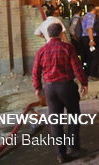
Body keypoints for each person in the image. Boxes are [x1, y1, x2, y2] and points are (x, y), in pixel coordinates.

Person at [32, 23, 88, 164]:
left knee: (55, 122)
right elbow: (77, 66)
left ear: (49, 35)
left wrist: (38, 88)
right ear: (61, 34)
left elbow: (35, 72)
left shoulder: (41, 51)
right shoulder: (67, 47)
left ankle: (61, 154)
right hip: (67, 87)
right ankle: (73, 147)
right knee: (74, 116)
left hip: (50, 89)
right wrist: (84, 83)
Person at [80, 4, 97, 75]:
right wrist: (91, 40)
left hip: (85, 38)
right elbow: (89, 28)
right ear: (93, 9)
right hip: (89, 38)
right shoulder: (91, 16)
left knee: (88, 56)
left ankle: (87, 73)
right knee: (94, 56)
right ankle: (92, 74)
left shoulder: (85, 16)